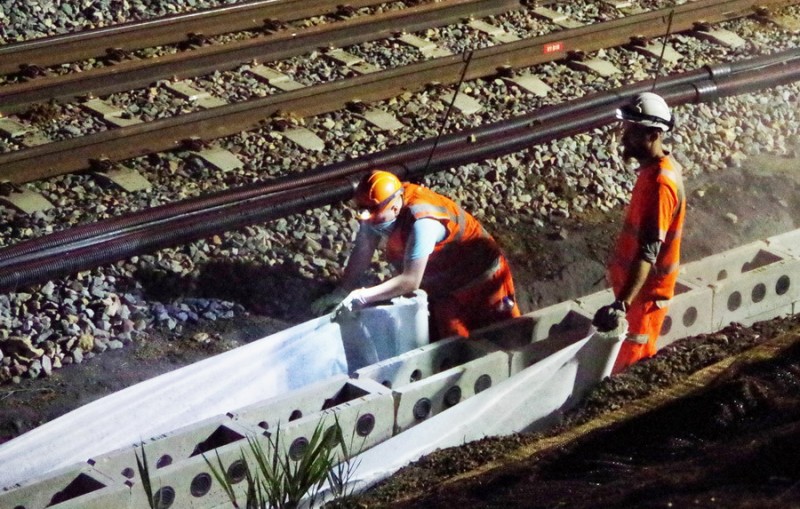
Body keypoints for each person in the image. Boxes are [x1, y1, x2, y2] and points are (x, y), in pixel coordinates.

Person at [312, 170, 521, 339]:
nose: (368, 219)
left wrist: (362, 297)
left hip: (482, 279)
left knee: (505, 334)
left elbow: (410, 281)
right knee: (452, 340)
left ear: (394, 207)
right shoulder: (380, 209)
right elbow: (364, 249)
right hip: (445, 285)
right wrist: (343, 289)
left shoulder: (423, 224)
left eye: (373, 213)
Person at [592, 92, 686, 374]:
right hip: (638, 295)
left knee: (629, 370)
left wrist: (622, 304)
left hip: (644, 299)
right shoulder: (652, 171)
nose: (625, 137)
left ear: (654, 134)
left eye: (633, 131)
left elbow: (648, 252)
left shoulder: (660, 185)